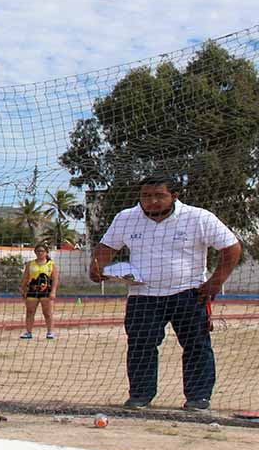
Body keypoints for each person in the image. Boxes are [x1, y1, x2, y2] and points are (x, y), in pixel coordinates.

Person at [89, 175, 241, 412]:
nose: (152, 201)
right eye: (146, 196)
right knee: (140, 345)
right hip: (143, 296)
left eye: (159, 195)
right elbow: (106, 247)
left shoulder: (198, 217)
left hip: (189, 293)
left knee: (196, 345)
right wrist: (97, 266)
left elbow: (231, 247)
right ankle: (140, 395)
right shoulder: (126, 218)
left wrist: (215, 282)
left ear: (174, 196)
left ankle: (198, 398)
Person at [20, 244, 58, 340]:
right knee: (30, 312)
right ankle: (28, 332)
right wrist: (22, 288)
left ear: (46, 253)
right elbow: (25, 277)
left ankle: (50, 332)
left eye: (42, 251)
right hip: (32, 291)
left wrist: (53, 291)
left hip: (46, 291)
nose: (40, 253)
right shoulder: (30, 264)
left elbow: (55, 279)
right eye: (38, 251)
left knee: (47, 313)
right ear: (35, 252)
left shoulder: (51, 264)